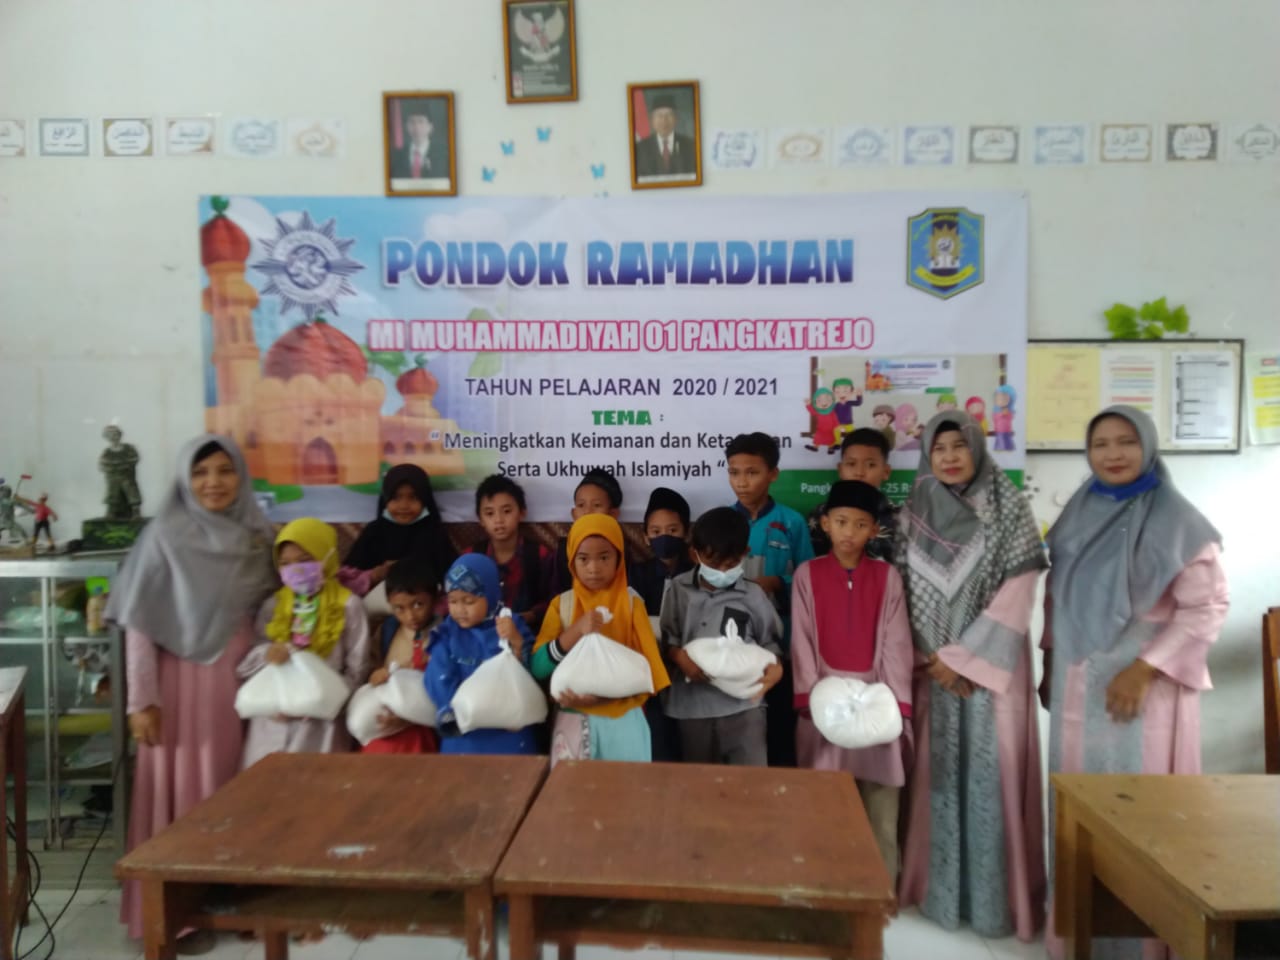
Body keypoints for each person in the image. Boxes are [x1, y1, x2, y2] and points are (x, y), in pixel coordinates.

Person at [1041, 405, 1227, 960]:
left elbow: (1207, 608)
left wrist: (1144, 668)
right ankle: (1077, 939)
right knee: (1079, 812)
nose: (1113, 454)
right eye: (1100, 444)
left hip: (1143, 696)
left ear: (1147, 445)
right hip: (1077, 687)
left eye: (1126, 441)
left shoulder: (1179, 522)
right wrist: (1048, 661)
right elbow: (1057, 596)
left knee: (1140, 816)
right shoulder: (1079, 510)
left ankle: (1142, 946)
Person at [108, 435, 275, 947]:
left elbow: (273, 605)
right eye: (201, 473)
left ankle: (227, 900)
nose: (214, 483)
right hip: (179, 686)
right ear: (184, 479)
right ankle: (172, 915)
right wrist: (142, 701)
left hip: (243, 682)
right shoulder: (163, 536)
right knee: (183, 793)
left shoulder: (256, 536)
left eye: (225, 470)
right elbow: (139, 624)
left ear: (240, 475)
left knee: (233, 792)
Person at [896, 412, 1048, 942]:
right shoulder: (913, 511)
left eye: (959, 446)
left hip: (992, 669)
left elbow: (1019, 590)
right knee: (935, 775)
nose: (950, 457)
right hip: (932, 669)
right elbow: (901, 592)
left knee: (992, 773)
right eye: (939, 449)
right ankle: (937, 892)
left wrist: (965, 659)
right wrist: (933, 656)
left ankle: (993, 902)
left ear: (978, 448)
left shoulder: (1008, 507)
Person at [792, 481, 913, 883]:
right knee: (826, 803)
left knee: (881, 809)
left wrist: (894, 705)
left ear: (874, 531)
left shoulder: (887, 577)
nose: (849, 532)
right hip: (823, 705)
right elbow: (802, 640)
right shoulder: (807, 574)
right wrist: (811, 699)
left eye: (860, 525)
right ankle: (827, 884)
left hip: (877, 700)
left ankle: (880, 889)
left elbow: (896, 643)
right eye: (841, 522)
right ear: (825, 523)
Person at [533, 514, 670, 762]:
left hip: (624, 723)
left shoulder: (632, 606)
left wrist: (602, 697)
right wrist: (575, 631)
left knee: (624, 785)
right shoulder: (562, 605)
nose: (594, 568)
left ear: (619, 559)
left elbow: (649, 675)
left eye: (604, 557)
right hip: (574, 717)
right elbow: (539, 667)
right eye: (583, 559)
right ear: (571, 560)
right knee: (573, 785)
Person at [238, 518, 371, 767]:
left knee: (316, 782)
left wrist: (325, 699)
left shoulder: (348, 606)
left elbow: (358, 668)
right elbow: (250, 660)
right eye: (286, 563)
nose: (296, 569)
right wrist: (268, 653)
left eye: (305, 560)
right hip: (272, 717)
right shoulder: (273, 605)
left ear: (326, 557)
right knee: (265, 781)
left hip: (321, 721)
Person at [660, 507, 783, 766]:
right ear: (694, 554)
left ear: (745, 554)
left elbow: (771, 643)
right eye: (713, 563)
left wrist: (776, 670)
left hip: (745, 707)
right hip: (692, 706)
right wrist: (679, 657)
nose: (722, 571)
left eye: (730, 564)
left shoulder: (753, 595)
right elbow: (668, 640)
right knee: (700, 782)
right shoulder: (679, 590)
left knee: (750, 781)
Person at [726, 431, 815, 767]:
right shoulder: (723, 521)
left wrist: (778, 582)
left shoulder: (792, 522)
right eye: (734, 472)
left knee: (779, 726)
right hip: (733, 640)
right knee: (740, 723)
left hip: (782, 640)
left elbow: (808, 579)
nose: (742, 481)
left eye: (752, 472)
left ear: (773, 474)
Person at [426, 554, 542, 755]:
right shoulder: (447, 634)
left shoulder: (510, 623)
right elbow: (438, 673)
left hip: (508, 729)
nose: (460, 610)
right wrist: (449, 708)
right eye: (453, 601)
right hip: (464, 730)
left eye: (468, 601)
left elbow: (530, 671)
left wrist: (515, 640)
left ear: (490, 595)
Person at [628, 486, 695, 761]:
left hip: (688, 670)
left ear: (686, 533)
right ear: (645, 536)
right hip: (647, 673)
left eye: (672, 530)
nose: (663, 537)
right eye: (655, 532)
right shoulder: (635, 574)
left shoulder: (698, 575)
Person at [363, 557, 441, 755]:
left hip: (423, 728)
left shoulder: (445, 633)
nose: (410, 616)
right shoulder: (387, 631)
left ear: (435, 599)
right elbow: (371, 669)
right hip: (385, 723)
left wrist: (409, 716)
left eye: (418, 604)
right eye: (399, 608)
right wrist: (376, 676)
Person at [344, 464, 457, 594]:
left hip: (424, 602)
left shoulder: (434, 532)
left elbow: (452, 577)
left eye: (413, 497)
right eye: (396, 497)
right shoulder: (374, 531)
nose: (404, 505)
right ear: (385, 499)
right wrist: (375, 575)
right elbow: (346, 579)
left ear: (425, 499)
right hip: (376, 602)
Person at [469, 474, 554, 632]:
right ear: (480, 519)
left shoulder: (539, 555)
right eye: (490, 513)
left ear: (521, 513)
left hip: (528, 633)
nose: (499, 520)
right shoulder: (471, 558)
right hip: (482, 634)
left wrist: (529, 616)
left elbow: (553, 601)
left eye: (506, 511)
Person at [808, 428, 898, 561]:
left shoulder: (900, 518)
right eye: (851, 464)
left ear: (886, 472)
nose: (859, 473)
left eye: (871, 465)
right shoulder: (821, 514)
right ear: (840, 469)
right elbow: (813, 565)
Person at [550, 468, 623, 597]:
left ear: (613, 514)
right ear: (574, 514)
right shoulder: (563, 550)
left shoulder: (620, 548)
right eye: (581, 505)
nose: (587, 512)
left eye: (597, 505)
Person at [634, 93, 697, 178]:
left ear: (676, 119)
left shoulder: (690, 145)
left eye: (669, 115)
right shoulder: (640, 148)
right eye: (659, 115)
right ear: (652, 120)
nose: (664, 120)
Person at [390, 104, 449, 179]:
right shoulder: (396, 155)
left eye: (421, 122)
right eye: (412, 122)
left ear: (430, 127)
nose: (416, 127)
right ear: (407, 127)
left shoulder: (444, 154)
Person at [99, 423, 142, 520]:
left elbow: (134, 459)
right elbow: (103, 465)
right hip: (113, 478)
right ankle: (111, 511)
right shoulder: (107, 452)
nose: (113, 437)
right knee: (112, 491)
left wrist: (124, 466)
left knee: (131, 490)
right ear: (107, 437)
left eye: (115, 434)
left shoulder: (129, 448)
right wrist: (111, 468)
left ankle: (136, 511)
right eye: (110, 435)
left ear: (119, 434)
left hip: (127, 477)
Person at [804, 387, 840, 452]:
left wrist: (837, 426)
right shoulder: (818, 412)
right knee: (818, 438)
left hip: (830, 430)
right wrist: (808, 405)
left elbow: (835, 420)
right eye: (819, 400)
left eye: (827, 400)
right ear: (815, 402)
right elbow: (812, 411)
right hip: (820, 430)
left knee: (830, 439)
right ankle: (815, 447)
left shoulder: (831, 412)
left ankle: (830, 448)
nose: (824, 403)